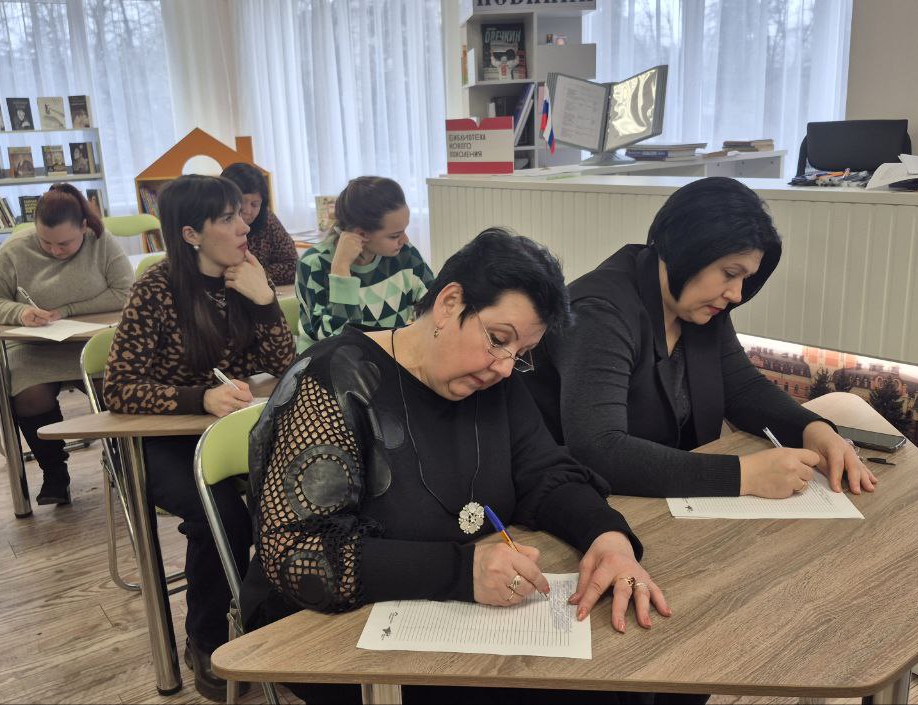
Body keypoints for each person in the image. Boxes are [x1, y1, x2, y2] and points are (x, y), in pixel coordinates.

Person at [243, 228, 667, 704]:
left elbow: (546, 474)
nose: (505, 366)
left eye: (520, 354)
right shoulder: (333, 381)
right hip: (333, 628)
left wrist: (607, 537)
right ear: (448, 304)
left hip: (452, 614)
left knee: (638, 672)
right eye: (498, 340)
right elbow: (300, 554)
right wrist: (461, 573)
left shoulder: (493, 380)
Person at [526, 177, 878, 500]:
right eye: (729, 273)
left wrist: (813, 429)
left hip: (664, 499)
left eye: (744, 279)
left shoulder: (699, 308)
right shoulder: (599, 313)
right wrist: (744, 475)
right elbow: (598, 450)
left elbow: (743, 388)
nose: (736, 294)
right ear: (685, 251)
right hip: (577, 503)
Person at [102, 174, 295, 701]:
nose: (244, 226)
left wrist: (265, 301)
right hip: (159, 442)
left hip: (226, 436)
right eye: (228, 219)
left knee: (292, 500)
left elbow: (286, 366)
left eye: (242, 214)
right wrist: (199, 398)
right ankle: (206, 640)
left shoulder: (244, 279)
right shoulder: (156, 288)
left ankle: (270, 620)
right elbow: (118, 387)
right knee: (223, 519)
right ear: (191, 234)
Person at [0, 183, 132, 505]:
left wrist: (68, 310)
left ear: (83, 228)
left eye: (64, 244)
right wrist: (19, 312)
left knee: (116, 388)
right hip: (34, 345)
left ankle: (123, 462)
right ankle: (54, 472)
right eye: (46, 242)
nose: (55, 251)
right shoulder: (15, 250)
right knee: (29, 396)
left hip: (91, 341)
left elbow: (126, 292)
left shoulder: (101, 242)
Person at [295, 175, 435, 351]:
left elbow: (436, 304)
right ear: (361, 234)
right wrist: (341, 270)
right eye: (395, 236)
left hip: (385, 358)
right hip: (328, 361)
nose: (405, 240)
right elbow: (337, 340)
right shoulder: (314, 264)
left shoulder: (404, 253)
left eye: (404, 231)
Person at [219, 162, 297, 286]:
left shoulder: (267, 219)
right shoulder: (214, 224)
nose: (247, 211)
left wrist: (256, 275)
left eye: (255, 204)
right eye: (241, 202)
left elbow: (293, 265)